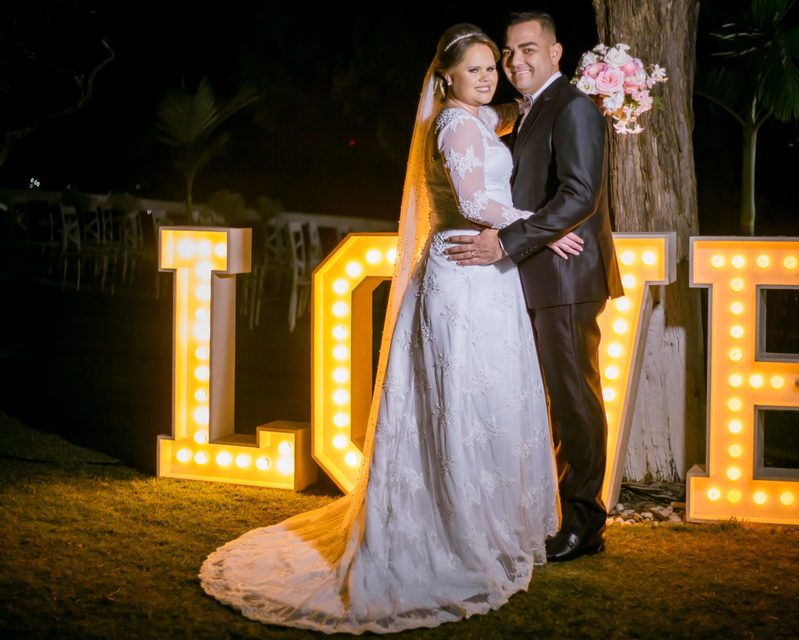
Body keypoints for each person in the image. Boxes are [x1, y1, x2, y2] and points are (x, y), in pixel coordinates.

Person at [198, 24, 563, 634]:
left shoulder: (476, 117)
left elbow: (506, 116)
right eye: (472, 70)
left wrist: (549, 94)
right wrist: (544, 223)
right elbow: (474, 201)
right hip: (461, 273)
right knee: (458, 402)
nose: (485, 77)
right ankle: (455, 532)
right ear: (445, 76)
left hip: (488, 273)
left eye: (489, 68)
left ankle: (493, 523)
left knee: (488, 399)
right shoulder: (450, 124)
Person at [445, 11, 624, 563]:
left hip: (568, 278)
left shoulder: (572, 107)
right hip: (539, 275)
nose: (515, 60)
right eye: (508, 52)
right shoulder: (528, 111)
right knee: (554, 400)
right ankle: (552, 510)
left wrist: (508, 239)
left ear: (555, 53)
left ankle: (584, 524)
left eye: (528, 49)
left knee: (574, 398)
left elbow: (579, 196)